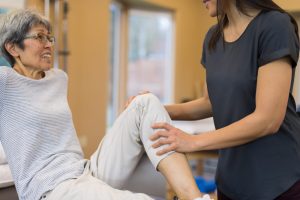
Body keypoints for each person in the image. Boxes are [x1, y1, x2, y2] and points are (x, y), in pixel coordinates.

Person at [0, 9, 210, 200]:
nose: (48, 44)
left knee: (145, 102)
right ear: (12, 47)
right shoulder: (5, 81)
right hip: (50, 189)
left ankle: (194, 198)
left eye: (49, 37)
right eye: (39, 37)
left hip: (84, 171)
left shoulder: (58, 78)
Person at [149, 0, 300, 200]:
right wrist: (152, 107)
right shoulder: (213, 37)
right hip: (230, 181)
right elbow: (209, 103)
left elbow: (269, 119)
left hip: (277, 182)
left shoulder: (275, 26)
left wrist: (194, 142)